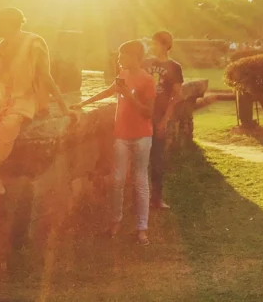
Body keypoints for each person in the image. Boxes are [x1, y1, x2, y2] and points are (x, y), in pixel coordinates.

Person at [0, 8, 73, 207]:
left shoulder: (33, 43)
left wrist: (62, 106)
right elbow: (0, 81)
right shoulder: (1, 47)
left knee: (7, 127)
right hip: (1, 97)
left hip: (24, 97)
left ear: (11, 23)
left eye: (0, 22)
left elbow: (45, 76)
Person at [75, 39, 156, 244]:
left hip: (141, 137)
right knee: (117, 180)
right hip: (121, 135)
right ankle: (115, 221)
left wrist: (129, 95)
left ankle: (141, 228)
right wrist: (82, 103)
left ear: (134, 57)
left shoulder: (147, 80)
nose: (119, 60)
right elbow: (108, 91)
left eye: (122, 56)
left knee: (140, 181)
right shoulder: (123, 75)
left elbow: (149, 112)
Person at [143, 31, 183, 211]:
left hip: (159, 117)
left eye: (156, 43)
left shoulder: (174, 67)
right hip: (142, 115)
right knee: (140, 160)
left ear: (166, 45)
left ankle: (157, 199)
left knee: (157, 160)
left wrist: (164, 120)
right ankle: (142, 199)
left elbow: (176, 96)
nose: (152, 47)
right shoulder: (145, 63)